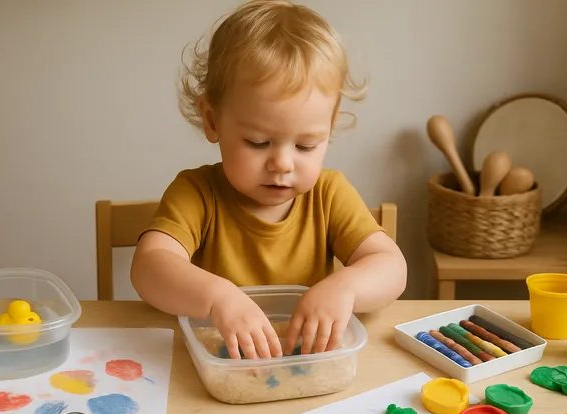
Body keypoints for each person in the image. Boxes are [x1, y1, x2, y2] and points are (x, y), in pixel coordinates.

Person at [131, 0, 407, 361]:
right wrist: (216, 298)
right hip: (219, 365)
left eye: (307, 145)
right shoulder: (197, 193)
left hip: (307, 364)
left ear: (330, 125)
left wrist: (347, 286)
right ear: (212, 121)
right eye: (258, 143)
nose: (282, 164)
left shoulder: (329, 193)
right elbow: (148, 267)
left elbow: (392, 267)